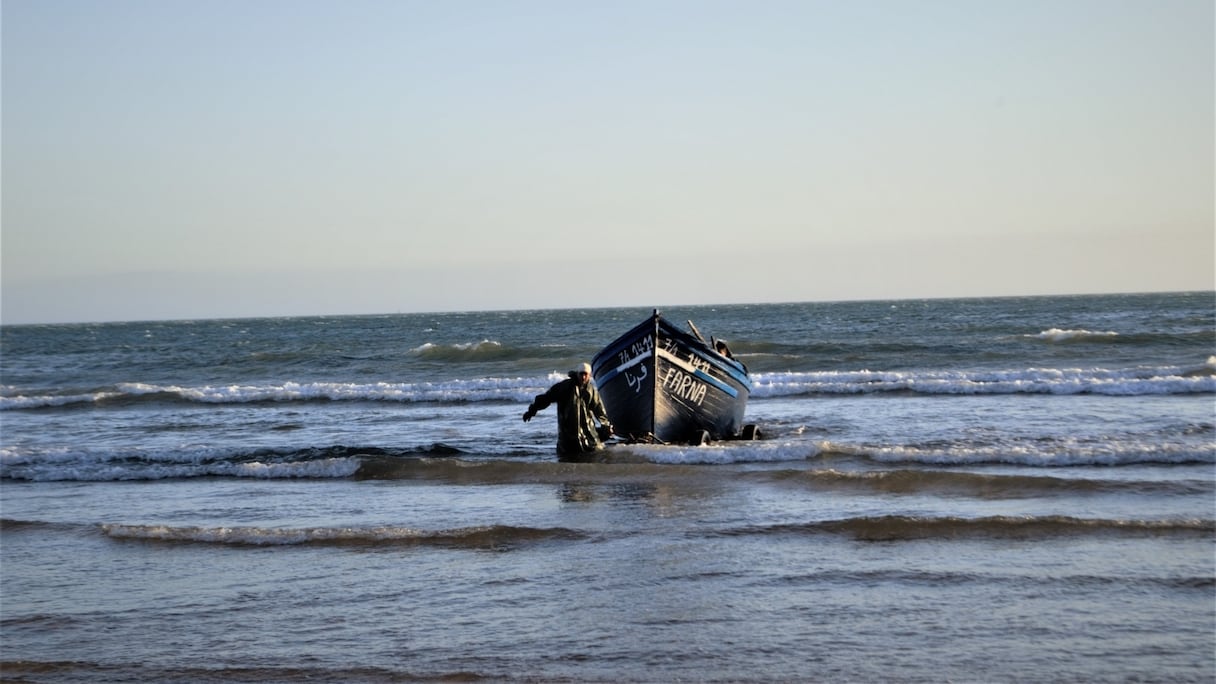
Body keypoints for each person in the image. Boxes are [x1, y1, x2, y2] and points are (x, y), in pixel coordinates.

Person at [523, 362, 613, 458]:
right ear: (577, 373)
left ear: (589, 375)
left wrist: (607, 426)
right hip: (567, 439)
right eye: (581, 374)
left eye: (585, 374)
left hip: (589, 439)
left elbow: (600, 411)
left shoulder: (591, 391)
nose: (583, 377)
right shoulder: (564, 387)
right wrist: (532, 411)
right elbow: (546, 398)